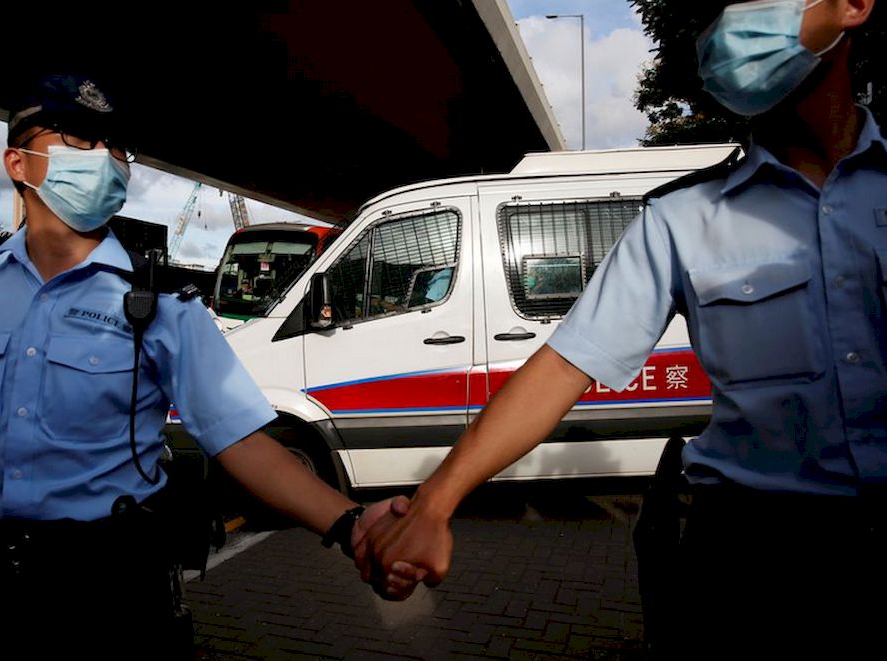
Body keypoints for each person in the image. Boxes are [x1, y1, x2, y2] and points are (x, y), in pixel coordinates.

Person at [356, 1, 886, 658]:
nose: (734, 21)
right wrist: (434, 505)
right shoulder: (682, 217)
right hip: (752, 561)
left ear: (851, 8)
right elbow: (563, 365)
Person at [0, 73, 403, 661]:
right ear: (18, 163)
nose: (104, 158)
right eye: (80, 139)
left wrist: (352, 523)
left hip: (112, 593)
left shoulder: (165, 306)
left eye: (116, 147)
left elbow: (242, 441)